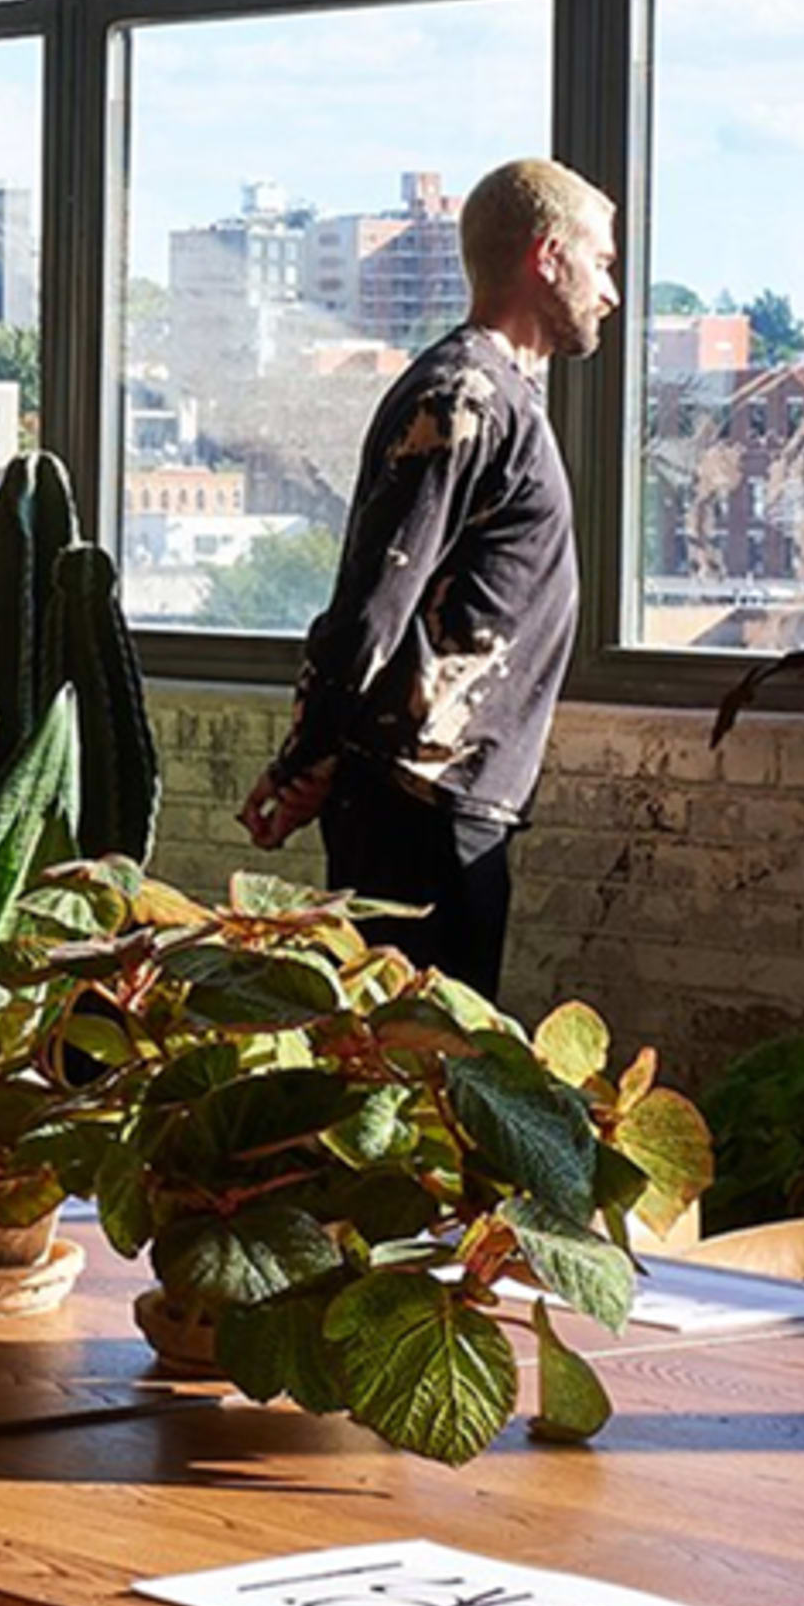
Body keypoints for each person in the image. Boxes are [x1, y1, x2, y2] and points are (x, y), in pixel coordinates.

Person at [236, 155, 618, 1004]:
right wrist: (305, 757)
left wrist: (320, 762)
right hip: (422, 812)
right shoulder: (463, 397)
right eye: (603, 263)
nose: (611, 293)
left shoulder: (498, 396)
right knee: (415, 1074)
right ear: (548, 256)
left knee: (426, 1069)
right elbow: (374, 605)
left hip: (441, 802)